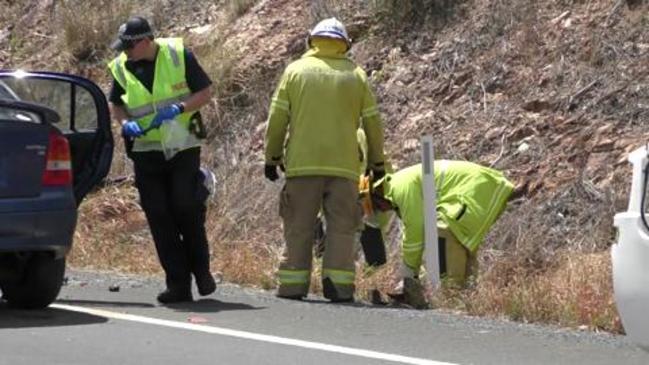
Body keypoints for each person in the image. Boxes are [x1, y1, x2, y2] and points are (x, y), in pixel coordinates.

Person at [264, 17, 386, 302]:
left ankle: (293, 284)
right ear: (344, 44)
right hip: (344, 166)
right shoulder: (356, 75)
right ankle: (339, 285)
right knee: (342, 228)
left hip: (303, 164)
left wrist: (271, 157)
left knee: (299, 226)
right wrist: (377, 163)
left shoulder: (295, 71)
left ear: (311, 41)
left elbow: (278, 118)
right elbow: (372, 122)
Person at [107, 16, 215, 304]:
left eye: (130, 46)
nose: (125, 52)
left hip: (182, 146)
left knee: (185, 206)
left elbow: (205, 92)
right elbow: (116, 103)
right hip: (146, 151)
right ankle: (178, 284)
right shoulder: (121, 66)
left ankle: (201, 271)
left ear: (145, 41)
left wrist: (179, 107)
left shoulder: (178, 55)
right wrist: (124, 123)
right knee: (158, 215)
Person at [365, 160, 517, 308]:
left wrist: (408, 273)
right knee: (457, 243)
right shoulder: (398, 186)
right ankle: (467, 300)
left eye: (377, 206)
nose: (382, 210)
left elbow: (416, 232)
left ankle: (450, 299)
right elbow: (419, 235)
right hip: (484, 189)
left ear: (377, 193)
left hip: (478, 189)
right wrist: (416, 273)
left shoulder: (400, 189)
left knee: (443, 232)